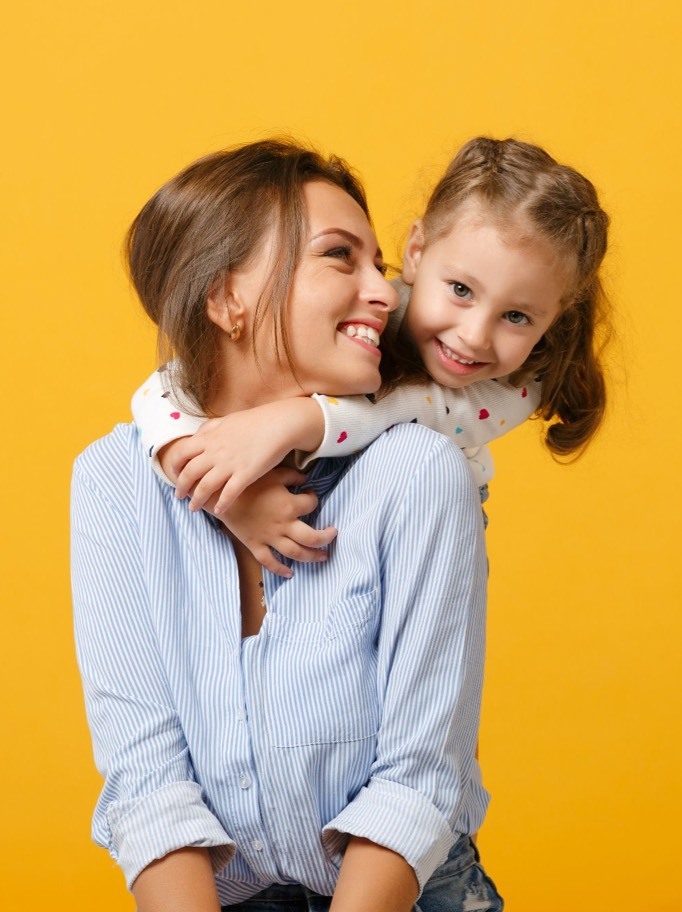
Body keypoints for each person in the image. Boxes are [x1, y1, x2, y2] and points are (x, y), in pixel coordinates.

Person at [71, 140, 500, 912]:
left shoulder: (420, 472)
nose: (386, 292)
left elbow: (419, 780)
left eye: (381, 264)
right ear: (225, 297)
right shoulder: (115, 481)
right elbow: (147, 785)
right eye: (340, 256)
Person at [131, 137, 609, 578]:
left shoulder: (521, 382)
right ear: (416, 252)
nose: (474, 336)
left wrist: (298, 420)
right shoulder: (377, 309)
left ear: (555, 317)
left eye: (517, 317)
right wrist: (224, 495)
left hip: (415, 530)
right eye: (461, 290)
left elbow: (424, 408)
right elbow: (164, 389)